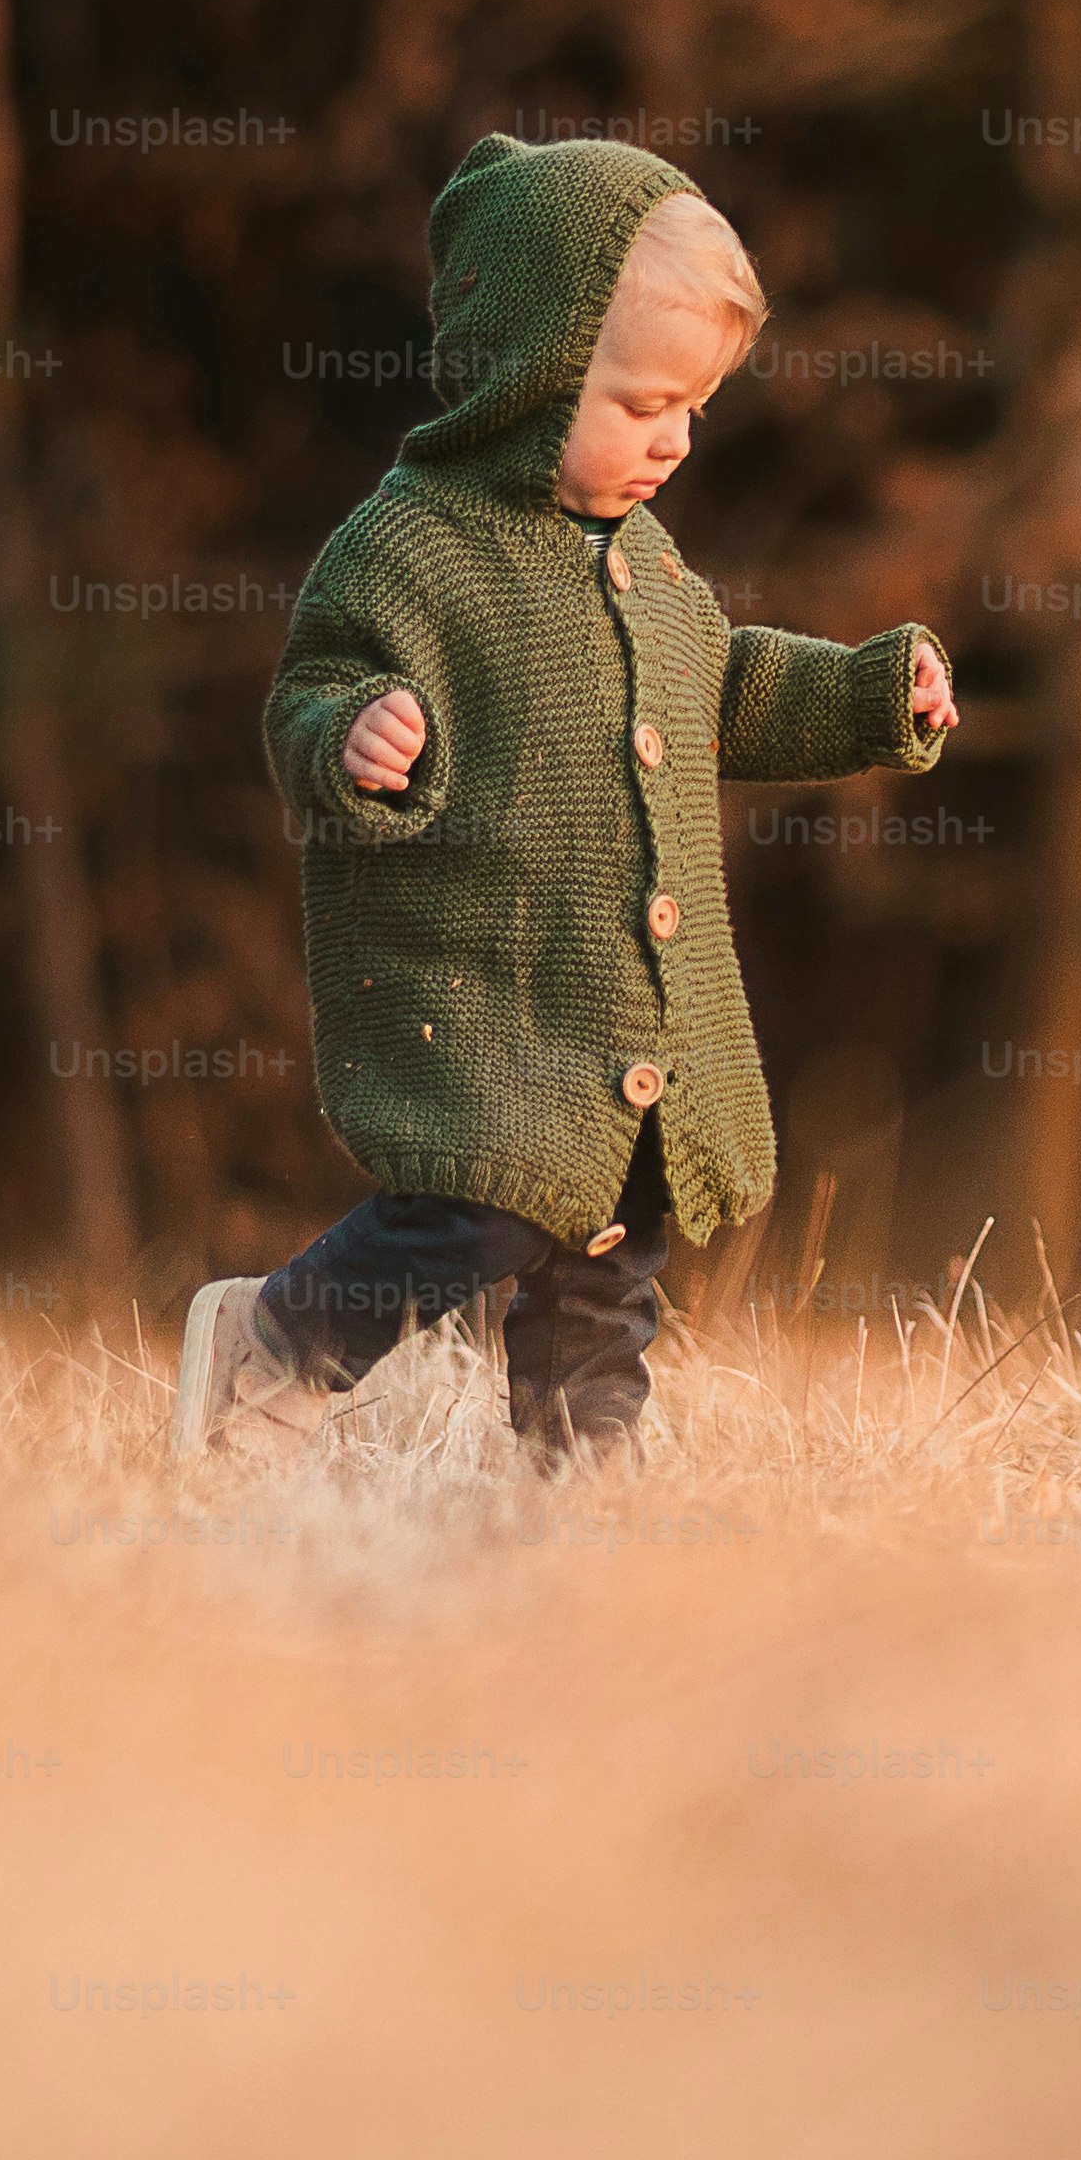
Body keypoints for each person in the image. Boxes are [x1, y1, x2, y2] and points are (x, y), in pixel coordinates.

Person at [170, 133, 956, 1461]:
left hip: (628, 1019)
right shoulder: (410, 546)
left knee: (608, 1258)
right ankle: (275, 1341)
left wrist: (875, 696)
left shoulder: (642, 558)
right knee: (477, 1213)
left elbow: (731, 690)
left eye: (695, 408)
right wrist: (354, 733)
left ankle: (574, 1472)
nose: (678, 440)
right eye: (646, 405)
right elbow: (308, 691)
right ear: (531, 374)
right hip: (494, 998)